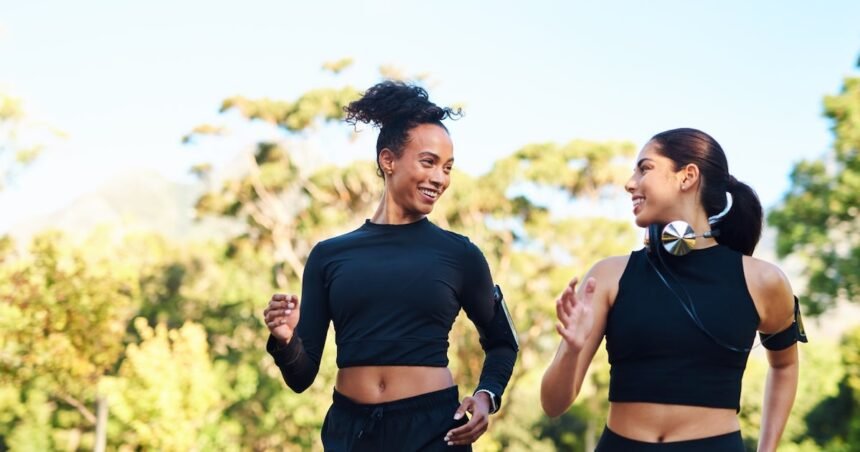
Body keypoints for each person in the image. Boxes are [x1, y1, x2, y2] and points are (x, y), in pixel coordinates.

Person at [262, 81, 519, 451]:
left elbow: (502, 343)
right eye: (428, 162)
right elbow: (302, 377)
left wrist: (486, 396)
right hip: (350, 431)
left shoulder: (461, 255)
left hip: (434, 431)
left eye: (447, 168)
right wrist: (285, 339)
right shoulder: (328, 256)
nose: (439, 178)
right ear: (388, 160)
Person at [541, 128, 806, 451]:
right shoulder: (608, 276)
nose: (629, 183)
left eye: (645, 168)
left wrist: (767, 449)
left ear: (687, 176)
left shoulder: (763, 281)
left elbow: (785, 365)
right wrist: (571, 349)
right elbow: (553, 405)